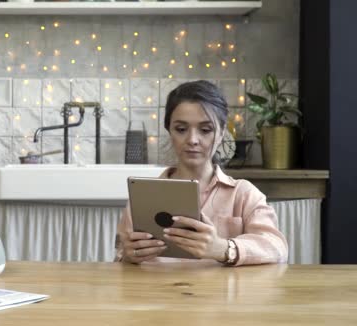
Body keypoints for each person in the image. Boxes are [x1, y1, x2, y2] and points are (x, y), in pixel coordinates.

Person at [116, 80, 288, 266]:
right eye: (181, 129)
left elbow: (277, 248)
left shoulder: (243, 194)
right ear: (169, 131)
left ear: (222, 133)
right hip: (157, 293)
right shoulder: (143, 196)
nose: (192, 140)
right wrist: (127, 256)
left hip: (222, 294)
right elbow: (120, 260)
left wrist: (223, 248)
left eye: (205, 130)